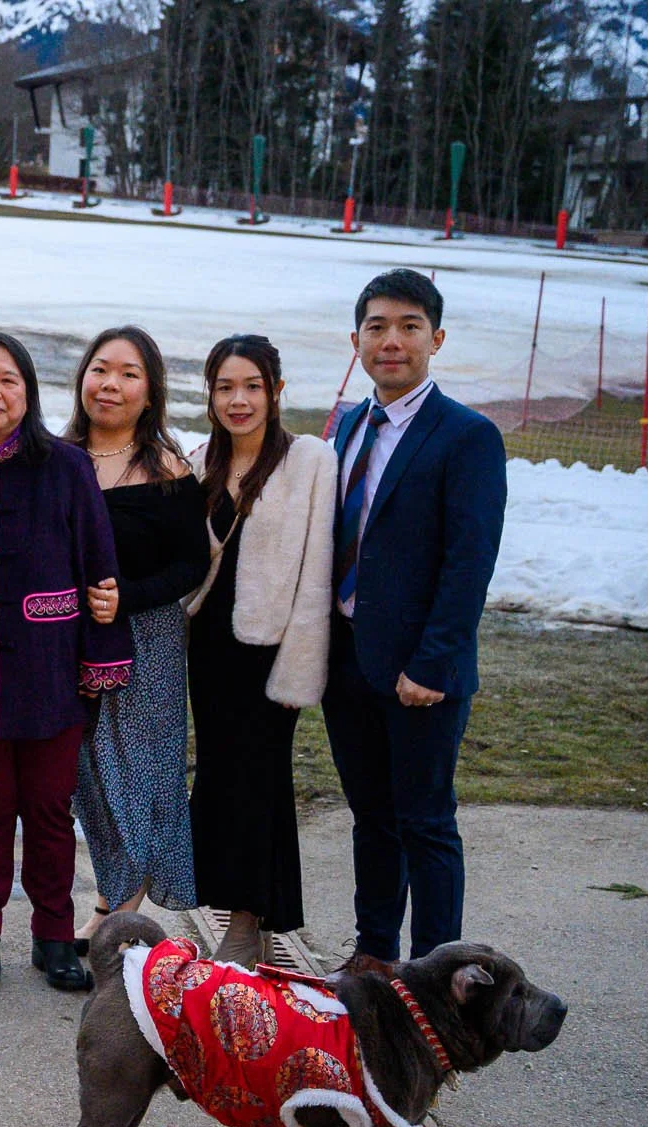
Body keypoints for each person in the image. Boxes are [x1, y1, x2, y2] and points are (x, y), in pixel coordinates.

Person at [323, 269, 506, 966]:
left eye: (408, 327)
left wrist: (432, 662)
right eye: (377, 327)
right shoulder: (346, 425)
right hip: (349, 661)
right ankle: (374, 951)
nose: (391, 341)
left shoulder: (466, 437)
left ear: (437, 338)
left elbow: (469, 563)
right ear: (356, 340)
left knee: (425, 822)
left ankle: (439, 969)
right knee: (372, 819)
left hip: (420, 670)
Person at [0, 332, 132, 994]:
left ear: (28, 392)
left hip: (52, 669)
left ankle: (54, 935)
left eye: (7, 380)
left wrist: (99, 658)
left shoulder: (66, 464)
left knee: (52, 809)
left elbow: (99, 564)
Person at [185, 334, 336, 966]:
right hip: (210, 646)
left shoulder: (310, 460)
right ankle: (246, 906)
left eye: (251, 386)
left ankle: (247, 920)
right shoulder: (199, 461)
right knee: (222, 773)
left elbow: (317, 569)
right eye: (225, 387)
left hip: (272, 648)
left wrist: (299, 661)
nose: (238, 400)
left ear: (276, 390)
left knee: (261, 776)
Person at [65, 327, 207, 947]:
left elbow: (190, 566)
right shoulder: (55, 457)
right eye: (101, 370)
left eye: (128, 374)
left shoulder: (169, 470)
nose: (111, 385)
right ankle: (112, 890)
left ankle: (117, 907)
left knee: (141, 773)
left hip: (145, 642)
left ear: (150, 393)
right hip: (64, 639)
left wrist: (129, 596)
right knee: (83, 772)